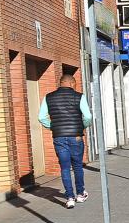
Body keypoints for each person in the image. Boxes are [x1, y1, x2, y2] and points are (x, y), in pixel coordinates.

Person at [38, 74, 92, 209]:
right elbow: (88, 116)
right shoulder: (79, 96)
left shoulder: (48, 97)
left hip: (59, 137)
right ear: (72, 83)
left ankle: (69, 197)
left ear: (61, 83)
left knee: (65, 167)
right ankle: (80, 194)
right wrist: (82, 127)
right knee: (78, 166)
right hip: (76, 136)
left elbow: (41, 117)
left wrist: (53, 127)